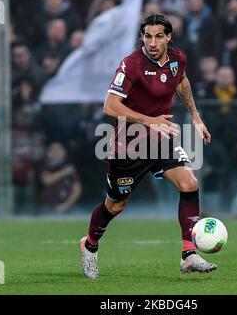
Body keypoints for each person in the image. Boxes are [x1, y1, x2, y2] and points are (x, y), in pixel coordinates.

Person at [79, 14, 215, 279]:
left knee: (189, 183)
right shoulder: (131, 64)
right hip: (129, 146)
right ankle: (90, 244)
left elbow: (182, 82)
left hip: (161, 139)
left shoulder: (178, 59)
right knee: (116, 205)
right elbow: (110, 106)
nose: (153, 42)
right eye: (148, 36)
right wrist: (149, 120)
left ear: (168, 38)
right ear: (142, 37)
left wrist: (196, 118)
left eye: (159, 36)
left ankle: (189, 255)